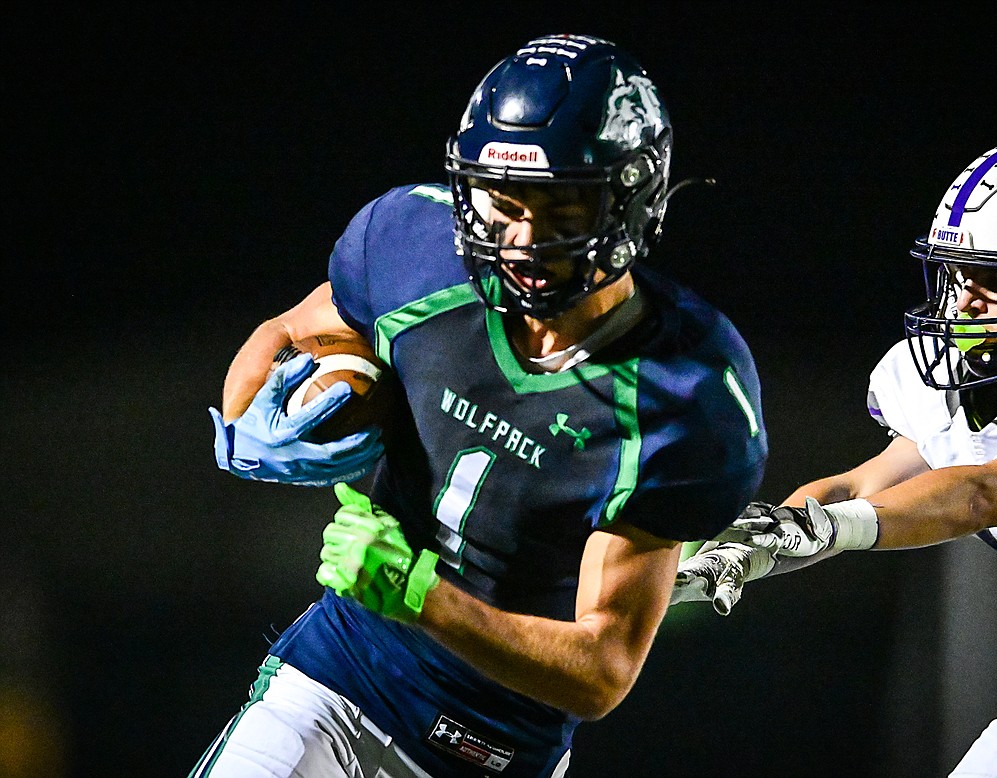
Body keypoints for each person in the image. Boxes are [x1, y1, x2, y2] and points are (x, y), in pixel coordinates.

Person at [194, 34, 768, 778]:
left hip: (497, 754)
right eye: (504, 203)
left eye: (561, 209)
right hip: (337, 684)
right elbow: (285, 331)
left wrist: (421, 594)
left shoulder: (683, 391)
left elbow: (602, 669)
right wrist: (247, 426)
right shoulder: (416, 251)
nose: (523, 239)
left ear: (631, 202)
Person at [675, 138, 997, 777]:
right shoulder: (956, 386)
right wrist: (766, 539)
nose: (963, 302)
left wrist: (836, 531)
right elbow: (859, 491)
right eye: (960, 273)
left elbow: (989, 491)